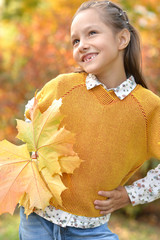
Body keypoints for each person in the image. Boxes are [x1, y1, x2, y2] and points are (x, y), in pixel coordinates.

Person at [19, 1, 160, 239]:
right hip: (36, 218)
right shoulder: (63, 86)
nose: (82, 45)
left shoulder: (147, 108)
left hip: (90, 230)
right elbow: (30, 118)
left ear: (122, 39)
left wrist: (131, 194)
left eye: (91, 33)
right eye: (75, 41)